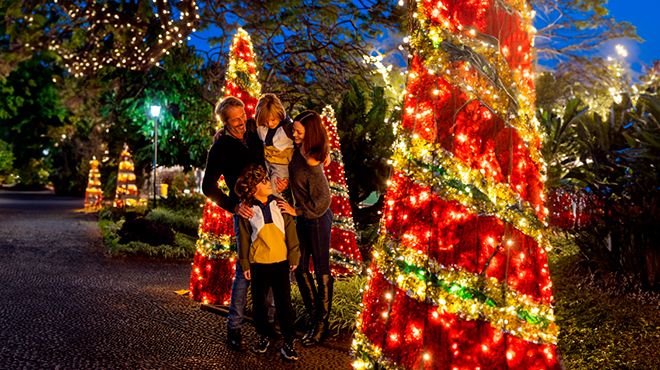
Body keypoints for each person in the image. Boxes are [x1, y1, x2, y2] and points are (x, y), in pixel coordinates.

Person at [201, 96, 273, 351]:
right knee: (245, 272)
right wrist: (234, 206)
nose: (243, 123)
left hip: (268, 204)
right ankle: (234, 328)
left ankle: (269, 325)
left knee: (273, 264)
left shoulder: (253, 131)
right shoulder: (219, 148)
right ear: (225, 123)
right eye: (236, 121)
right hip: (244, 211)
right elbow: (207, 187)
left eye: (243, 117)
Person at [278, 110, 333, 347]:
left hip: (318, 218)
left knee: (321, 270)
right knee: (299, 268)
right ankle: (314, 317)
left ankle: (322, 325)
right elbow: (282, 121)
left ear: (309, 133)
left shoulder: (313, 161)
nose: (295, 133)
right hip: (304, 217)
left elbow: (324, 200)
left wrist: (297, 211)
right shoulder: (298, 150)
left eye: (299, 131)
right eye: (295, 129)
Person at [234, 164, 301, 361]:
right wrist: (245, 263)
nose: (268, 182)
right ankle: (263, 336)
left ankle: (289, 342)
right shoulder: (248, 211)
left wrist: (294, 256)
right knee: (260, 305)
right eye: (263, 181)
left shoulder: (280, 205)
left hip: (280, 263)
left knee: (284, 304)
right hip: (258, 266)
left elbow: (291, 233)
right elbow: (243, 239)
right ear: (254, 189)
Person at [254, 93, 294, 198]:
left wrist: (325, 153)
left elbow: (308, 137)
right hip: (267, 163)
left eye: (273, 120)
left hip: (281, 166)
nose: (270, 124)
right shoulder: (261, 128)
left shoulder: (288, 128)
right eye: (266, 121)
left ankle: (280, 212)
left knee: (275, 190)